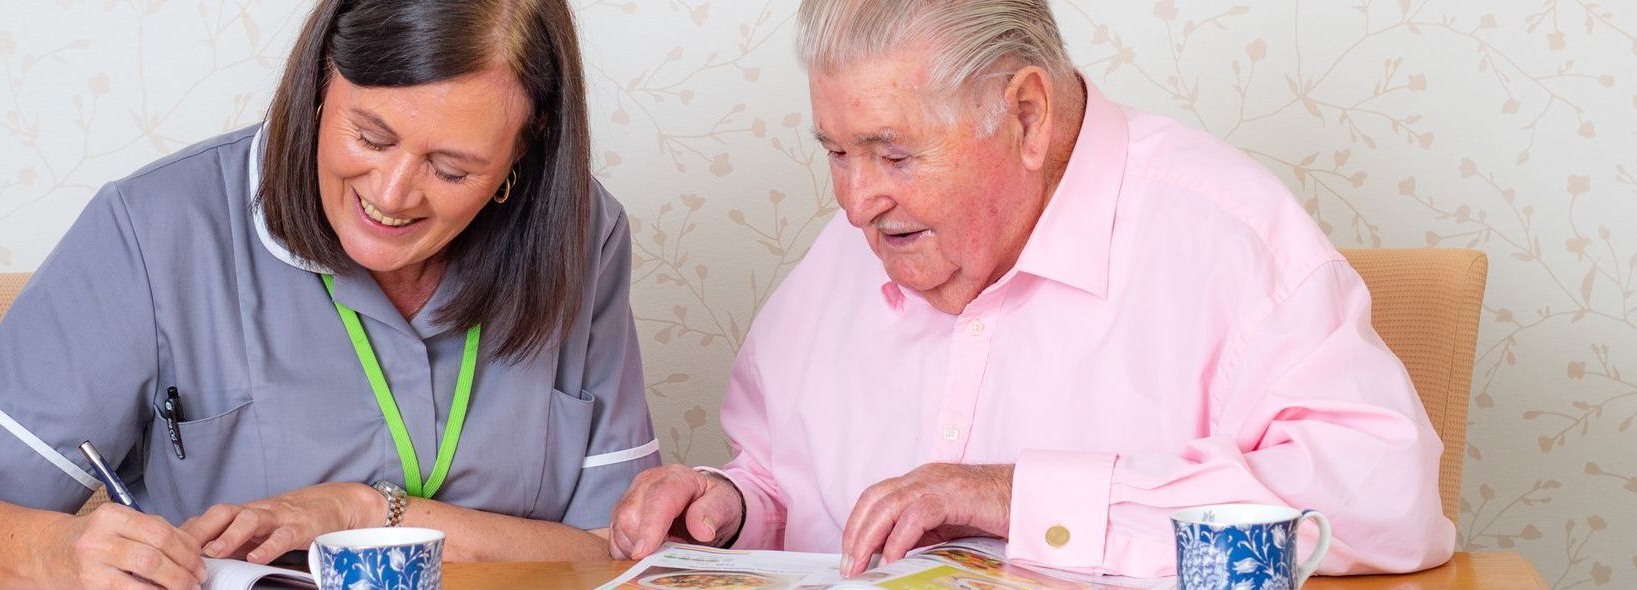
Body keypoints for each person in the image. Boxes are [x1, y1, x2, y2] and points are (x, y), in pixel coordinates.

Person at [609, 0, 1455, 579]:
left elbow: (1387, 498)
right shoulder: (853, 247)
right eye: (836, 152)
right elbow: (785, 482)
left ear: (1025, 115)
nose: (855, 201)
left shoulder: (1223, 232)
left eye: (893, 154)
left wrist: (1019, 498)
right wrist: (725, 508)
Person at [0, 1, 660, 587]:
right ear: (319, 83)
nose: (391, 192)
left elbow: (617, 554)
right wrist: (55, 555)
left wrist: (356, 511)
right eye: (369, 135)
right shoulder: (161, 229)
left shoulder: (583, 237)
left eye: (452, 170)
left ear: (530, 145)